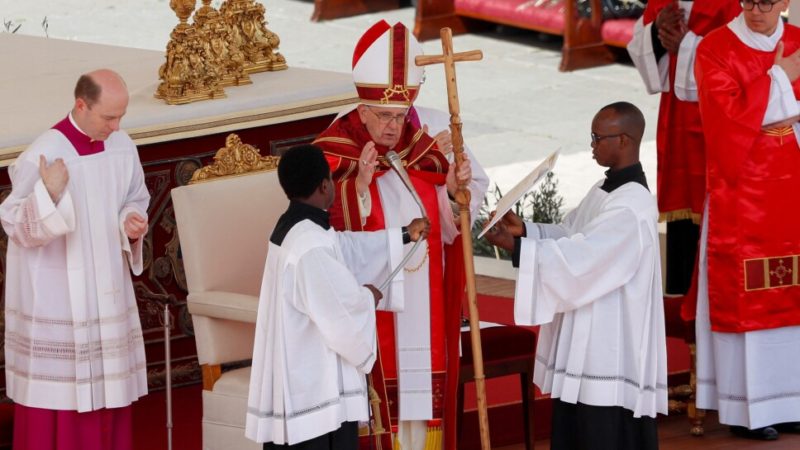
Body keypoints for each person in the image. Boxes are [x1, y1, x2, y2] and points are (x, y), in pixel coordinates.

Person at [313, 20, 489, 450]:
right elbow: (326, 225)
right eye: (384, 118)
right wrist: (359, 185)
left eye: (400, 116)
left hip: (428, 289)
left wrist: (452, 189)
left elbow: (465, 205)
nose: (394, 128)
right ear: (363, 110)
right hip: (376, 294)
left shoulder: (427, 130)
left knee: (425, 390)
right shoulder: (339, 142)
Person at [485, 102, 668, 450]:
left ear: (625, 141)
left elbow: (586, 258)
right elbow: (573, 233)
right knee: (577, 425)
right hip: (591, 330)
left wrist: (517, 247)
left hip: (610, 343)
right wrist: (524, 230)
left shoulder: (630, 206)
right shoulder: (606, 188)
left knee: (603, 430)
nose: (593, 145)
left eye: (599, 138)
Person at [0, 69, 150, 450]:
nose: (116, 127)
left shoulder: (121, 146)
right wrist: (47, 194)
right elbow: (14, 224)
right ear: (81, 105)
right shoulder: (44, 152)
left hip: (105, 292)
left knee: (107, 394)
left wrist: (129, 221)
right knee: (61, 400)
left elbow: (135, 196)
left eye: (121, 117)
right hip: (58, 299)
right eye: (108, 118)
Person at [245, 144, 429, 449]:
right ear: (324, 185)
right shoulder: (310, 245)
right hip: (313, 384)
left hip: (302, 372)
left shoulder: (297, 227)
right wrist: (367, 298)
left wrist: (404, 235)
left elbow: (346, 248)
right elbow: (337, 313)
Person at [694, 0, 800, 440]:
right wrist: (781, 79)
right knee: (746, 296)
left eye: (766, 2)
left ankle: (791, 400)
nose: (755, 10)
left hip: (791, 180)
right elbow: (727, 120)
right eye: (748, 1)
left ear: (785, 3)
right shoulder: (715, 48)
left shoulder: (796, 42)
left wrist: (770, 99)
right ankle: (747, 411)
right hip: (743, 187)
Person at [627, 0, 740, 298]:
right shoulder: (664, 3)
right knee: (681, 222)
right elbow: (638, 45)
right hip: (675, 122)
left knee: (716, 215)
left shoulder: (731, 5)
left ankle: (712, 304)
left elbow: (742, 55)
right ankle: (680, 308)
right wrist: (655, 33)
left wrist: (688, 45)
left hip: (718, 122)